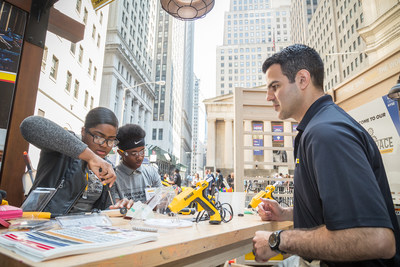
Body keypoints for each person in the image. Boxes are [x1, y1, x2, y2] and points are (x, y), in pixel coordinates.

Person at [252, 44, 400, 266]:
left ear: (302, 80)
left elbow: (377, 239)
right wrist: (286, 213)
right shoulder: (318, 127)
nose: (268, 97)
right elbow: (337, 210)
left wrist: (277, 241)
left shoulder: (326, 133)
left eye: (275, 86)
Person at [20, 107, 131, 214]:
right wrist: (90, 156)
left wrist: (118, 208)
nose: (105, 145)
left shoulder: (107, 167)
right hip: (42, 223)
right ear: (83, 131)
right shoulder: (64, 146)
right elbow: (29, 125)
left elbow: (104, 209)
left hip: (82, 229)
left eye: (110, 140)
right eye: (98, 137)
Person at [115, 124, 162, 203]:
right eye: (134, 154)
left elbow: (161, 199)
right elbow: (115, 207)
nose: (140, 157)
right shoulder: (113, 177)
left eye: (142, 151)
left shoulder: (151, 172)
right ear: (121, 153)